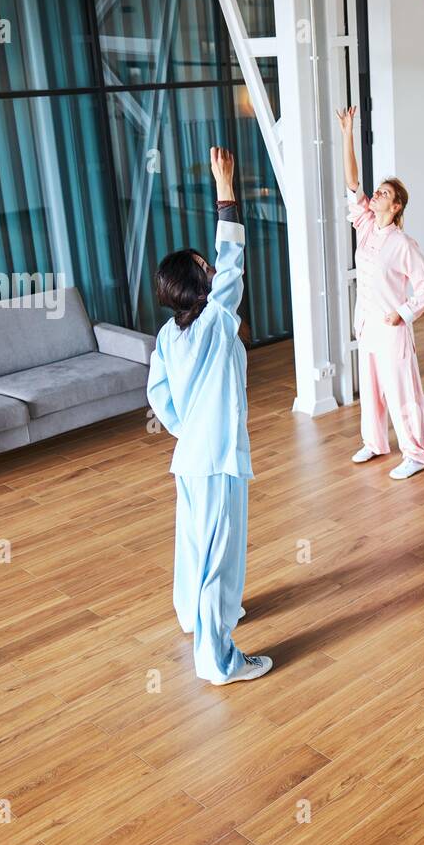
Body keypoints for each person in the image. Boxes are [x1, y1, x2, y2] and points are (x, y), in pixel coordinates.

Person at [146, 146, 272, 686]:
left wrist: (188, 427)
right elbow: (234, 263)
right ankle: (219, 661)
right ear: (201, 284)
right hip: (217, 460)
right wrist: (226, 192)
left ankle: (190, 616)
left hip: (188, 458)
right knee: (220, 558)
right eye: (206, 266)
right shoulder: (218, 321)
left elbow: (160, 398)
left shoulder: (169, 337)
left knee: (194, 543)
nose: (215, 267)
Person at [336, 106, 424, 481]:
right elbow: (351, 182)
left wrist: (404, 312)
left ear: (396, 207)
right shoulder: (365, 225)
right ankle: (376, 443)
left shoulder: (402, 243)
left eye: (384, 194)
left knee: (402, 394)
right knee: (373, 390)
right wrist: (348, 133)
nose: (376, 195)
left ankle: (417, 452)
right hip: (366, 326)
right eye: (377, 191)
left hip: (392, 329)